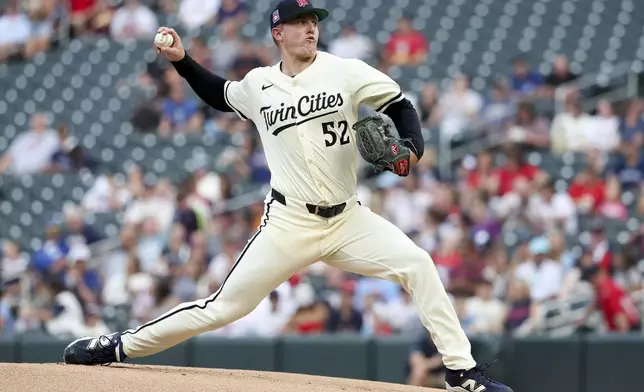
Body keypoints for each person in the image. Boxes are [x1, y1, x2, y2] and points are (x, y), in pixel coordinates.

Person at [62, 1, 513, 391]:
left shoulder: (346, 71)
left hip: (347, 220)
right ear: (279, 33)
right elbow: (221, 94)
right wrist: (182, 60)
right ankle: (119, 344)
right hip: (288, 222)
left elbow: (400, 104)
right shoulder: (259, 84)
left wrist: (411, 149)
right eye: (300, 21)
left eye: (314, 20)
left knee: (418, 264)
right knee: (222, 308)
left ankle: (461, 370)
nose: (310, 27)